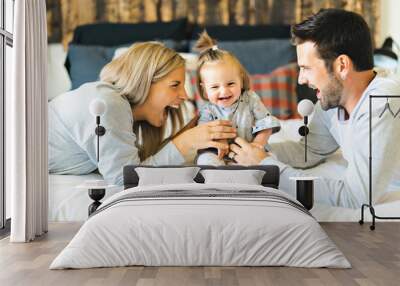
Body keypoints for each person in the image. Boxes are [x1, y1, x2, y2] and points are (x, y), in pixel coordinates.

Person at [227, 9, 400, 208]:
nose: (301, 79)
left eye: (306, 68)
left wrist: (266, 166)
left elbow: (356, 197)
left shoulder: (383, 101)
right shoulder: (333, 100)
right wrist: (254, 149)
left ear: (342, 65)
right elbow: (308, 152)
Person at [49, 42, 237, 185]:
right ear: (145, 82)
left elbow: (140, 165)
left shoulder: (116, 107)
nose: (185, 95)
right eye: (175, 85)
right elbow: (127, 178)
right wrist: (185, 141)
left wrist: (186, 136)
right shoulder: (106, 104)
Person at [194, 31, 281, 165]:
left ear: (240, 80)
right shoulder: (208, 110)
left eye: (230, 83)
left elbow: (266, 123)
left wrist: (257, 144)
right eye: (215, 87)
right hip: (219, 153)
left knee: (271, 159)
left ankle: (254, 179)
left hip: (249, 152)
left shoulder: (250, 99)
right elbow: (203, 134)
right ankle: (220, 179)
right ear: (205, 90)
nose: (224, 91)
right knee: (205, 160)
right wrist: (218, 141)